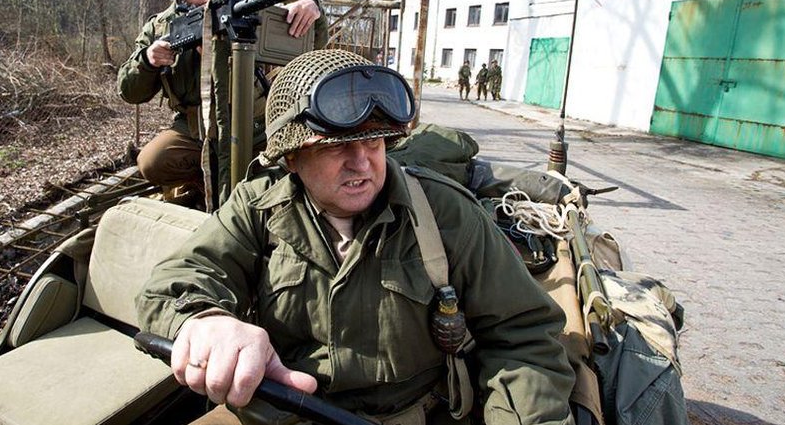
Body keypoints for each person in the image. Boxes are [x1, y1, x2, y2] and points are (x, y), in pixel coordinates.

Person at [137, 49, 576, 425]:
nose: (363, 163)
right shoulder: (258, 207)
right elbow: (180, 279)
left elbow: (525, 337)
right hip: (287, 411)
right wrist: (205, 321)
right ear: (291, 158)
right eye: (335, 146)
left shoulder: (445, 214)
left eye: (375, 143)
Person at [117, 0, 325, 207]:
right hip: (196, 132)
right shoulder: (159, 28)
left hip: (254, 126)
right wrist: (148, 61)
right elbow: (129, 91)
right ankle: (205, 182)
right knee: (152, 162)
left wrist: (313, 6)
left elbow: (308, 46)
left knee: (304, 166)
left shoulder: (244, 10)